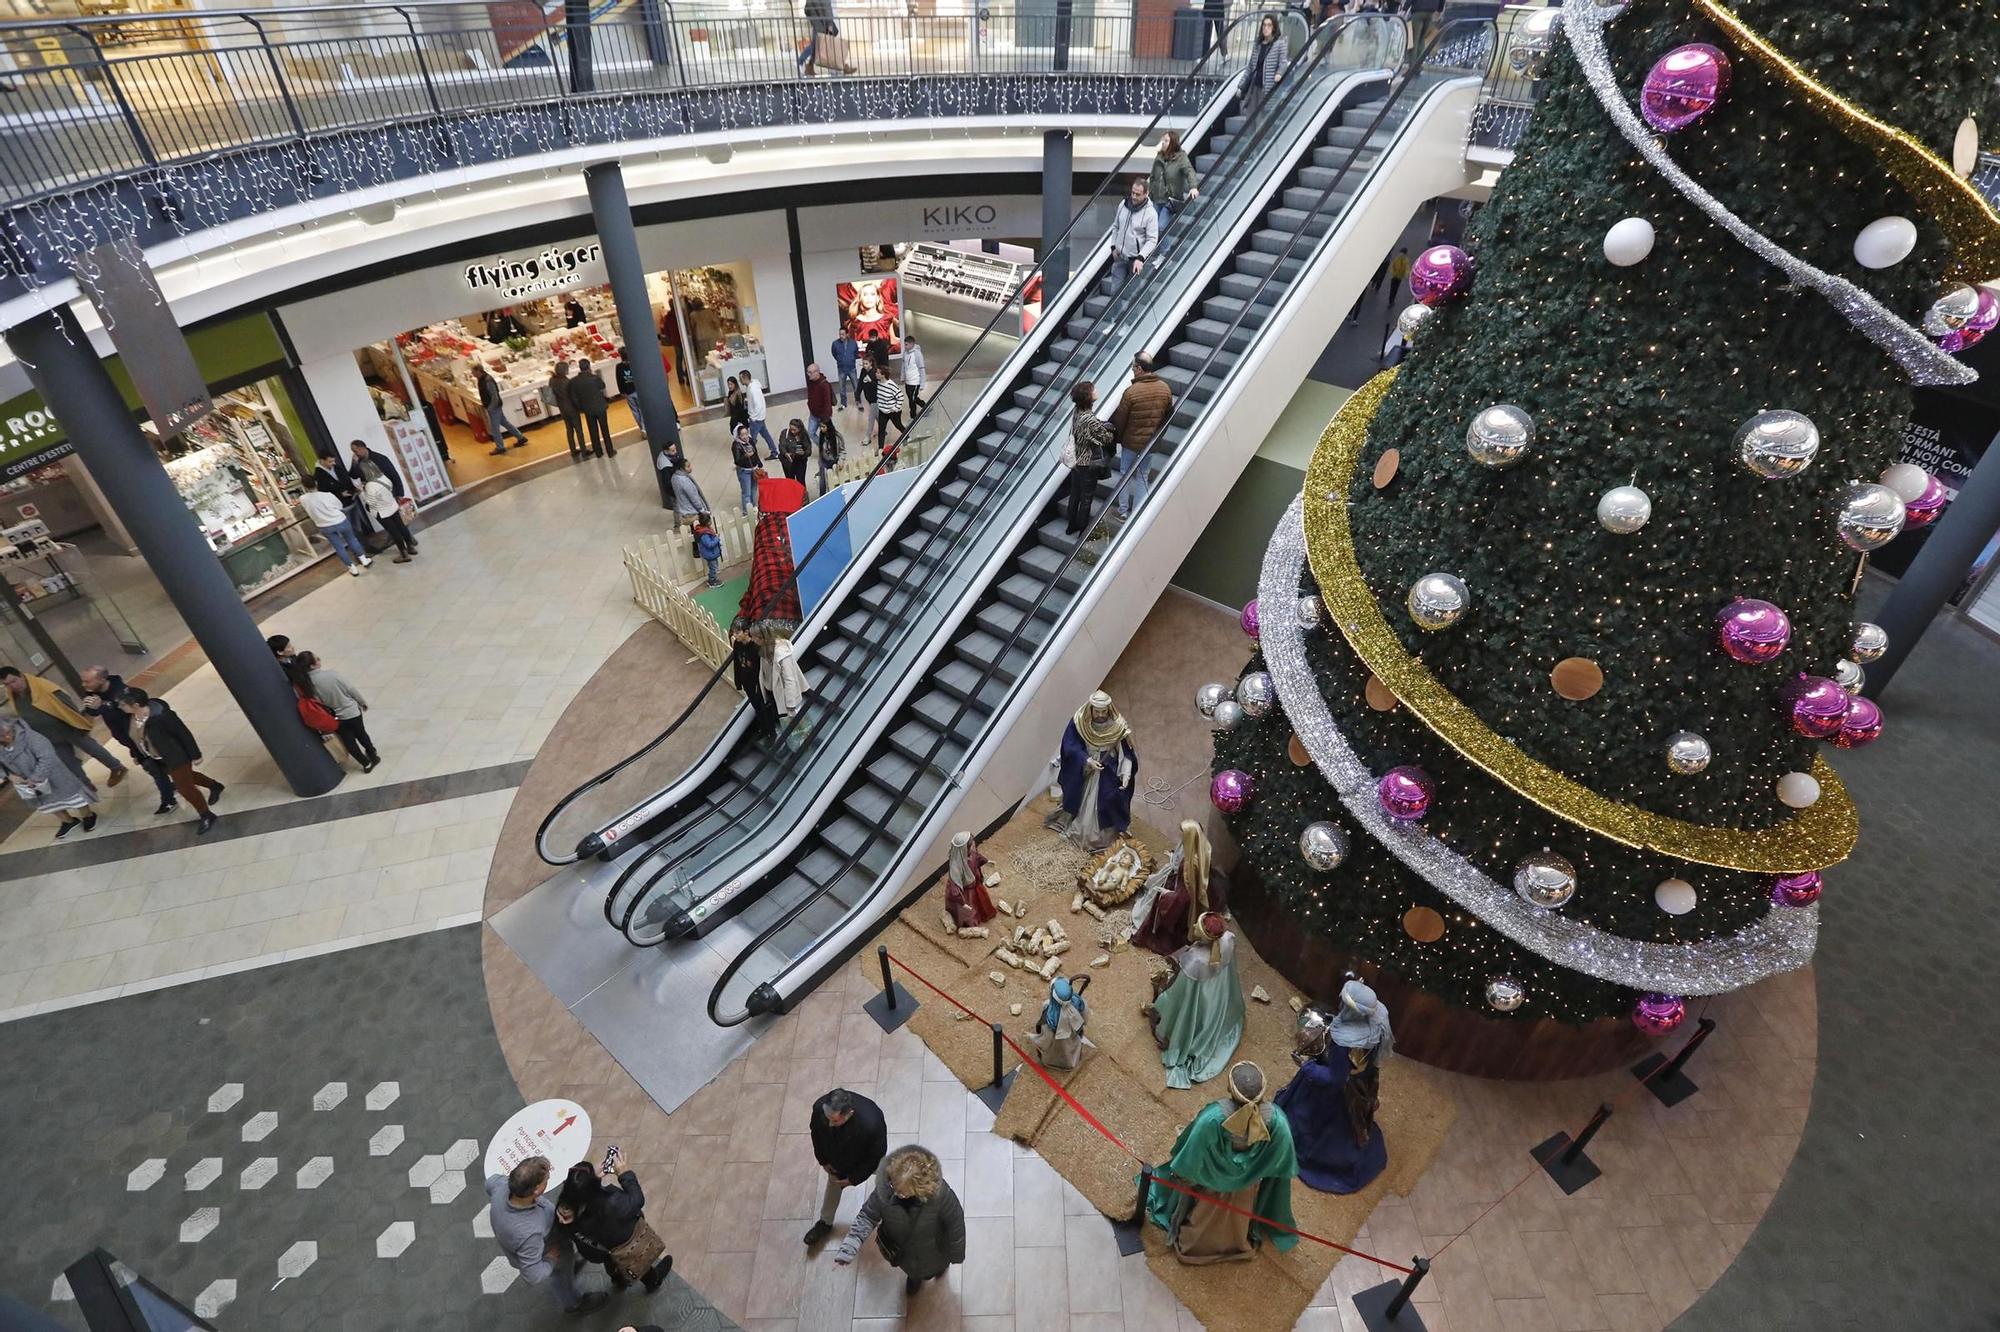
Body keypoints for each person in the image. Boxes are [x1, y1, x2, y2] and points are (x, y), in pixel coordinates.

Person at [1144, 1061, 1299, 1264]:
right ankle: (1236, 1244)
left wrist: (1185, 1177)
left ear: (1229, 1089)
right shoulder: (1277, 1121)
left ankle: (1194, 1246)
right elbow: (1283, 1163)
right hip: (1247, 1187)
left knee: (1200, 1215)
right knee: (1238, 1218)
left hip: (1208, 1185)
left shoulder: (1213, 1118)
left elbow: (1188, 1157)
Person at [1275, 978, 1392, 1193]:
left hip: (1338, 1094)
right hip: (1361, 1080)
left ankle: (1315, 1156)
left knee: (1313, 1122)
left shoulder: (1344, 1042)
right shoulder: (1377, 1021)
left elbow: (1333, 1080)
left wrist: (1307, 1068)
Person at [832, 1145, 966, 1296]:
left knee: (936, 1268)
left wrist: (956, 1254)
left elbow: (955, 1225)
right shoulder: (886, 1189)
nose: (894, 1192)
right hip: (904, 1253)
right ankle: (915, 1278)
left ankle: (939, 1271)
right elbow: (867, 1216)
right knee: (913, 1271)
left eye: (901, 1192)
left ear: (918, 1188)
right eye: (893, 1185)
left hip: (935, 1251)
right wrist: (848, 1248)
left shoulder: (941, 1196)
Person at [485, 1156, 608, 1316]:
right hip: (549, 1249)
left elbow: (489, 1183)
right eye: (546, 1179)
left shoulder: (501, 1186)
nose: (549, 1178)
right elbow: (533, 1275)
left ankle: (569, 1268)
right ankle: (573, 1303)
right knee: (561, 1274)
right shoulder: (529, 1234)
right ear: (536, 1190)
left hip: (549, 1237)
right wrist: (550, 1260)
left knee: (567, 1263)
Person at [553, 1148, 674, 1293]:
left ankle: (618, 1280)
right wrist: (624, 1173)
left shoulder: (564, 1210)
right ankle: (652, 1281)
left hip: (595, 1251)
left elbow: (580, 1198)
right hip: (623, 1245)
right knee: (632, 1259)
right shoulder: (613, 1205)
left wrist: (593, 1180)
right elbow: (637, 1200)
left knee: (611, 1261)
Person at [1150, 911, 1246, 1088]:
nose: (1194, 926)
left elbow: (1178, 995)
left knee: (1165, 1002)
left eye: (1198, 927)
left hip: (1198, 1000)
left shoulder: (1196, 960)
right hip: (1217, 995)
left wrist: (1162, 999)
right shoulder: (1228, 939)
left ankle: (1172, 1036)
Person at [0, 665, 128, 790]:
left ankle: (116, 767)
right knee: (68, 761)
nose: (12, 686)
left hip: (68, 726)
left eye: (14, 681)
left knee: (92, 748)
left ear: (21, 676)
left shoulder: (42, 686)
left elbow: (66, 703)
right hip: (48, 735)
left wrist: (78, 722)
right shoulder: (13, 696)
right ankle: (85, 784)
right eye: (7, 684)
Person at [118, 687, 224, 833]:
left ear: (135, 705)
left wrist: (195, 754)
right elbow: (135, 738)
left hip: (176, 755)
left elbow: (183, 733)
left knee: (184, 787)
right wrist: (136, 754)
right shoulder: (130, 718)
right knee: (187, 777)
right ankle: (215, 785)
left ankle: (206, 814)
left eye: (123, 704)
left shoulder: (162, 716)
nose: (120, 707)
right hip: (157, 758)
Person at [1042, 690, 1136, 850]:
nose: (1100, 715)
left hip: (1107, 772)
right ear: (1090, 709)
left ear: (1109, 709)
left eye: (1103, 711)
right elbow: (1070, 745)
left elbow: (1127, 752)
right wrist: (1086, 759)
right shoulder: (1079, 722)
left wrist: (1126, 773)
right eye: (1097, 711)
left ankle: (1100, 837)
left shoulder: (1118, 726)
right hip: (1084, 769)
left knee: (1106, 800)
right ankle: (1076, 827)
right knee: (1078, 799)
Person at [78, 666, 178, 814]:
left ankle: (169, 799)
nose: (84, 685)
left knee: (155, 768)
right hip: (129, 739)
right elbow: (94, 711)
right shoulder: (94, 692)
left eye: (87, 682)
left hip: (141, 737)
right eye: (83, 682)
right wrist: (93, 708)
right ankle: (175, 786)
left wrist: (102, 706)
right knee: (160, 767)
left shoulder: (122, 691)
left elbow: (127, 712)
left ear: (101, 679)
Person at [803, 1087, 888, 1248]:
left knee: (888, 1176)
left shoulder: (872, 1122)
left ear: (849, 1114)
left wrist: (853, 1179)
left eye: (834, 1121)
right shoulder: (820, 1108)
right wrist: (823, 1161)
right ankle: (825, 1222)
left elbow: (875, 1156)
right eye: (827, 1118)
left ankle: (891, 1210)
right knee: (833, 1186)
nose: (829, 1123)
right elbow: (816, 1135)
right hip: (837, 1161)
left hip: (866, 1160)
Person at [1130, 820, 1226, 955]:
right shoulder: (1201, 846)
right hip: (1187, 886)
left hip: (1184, 895)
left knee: (1165, 910)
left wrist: (1167, 896)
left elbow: (1184, 894)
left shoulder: (1191, 864)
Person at [0, 716, 97, 838]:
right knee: (46, 803)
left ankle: (88, 815)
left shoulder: (31, 737)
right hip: (25, 782)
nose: (7, 737)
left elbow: (47, 757)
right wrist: (9, 776)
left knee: (72, 796)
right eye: (2, 736)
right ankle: (68, 821)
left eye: (8, 733)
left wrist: (36, 778)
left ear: (12, 727)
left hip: (52, 774)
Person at [1109, 351, 1173, 519]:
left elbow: (1120, 420)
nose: (1132, 370)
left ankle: (1123, 511)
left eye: (1132, 367)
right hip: (1150, 443)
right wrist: (1157, 437)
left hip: (1131, 443)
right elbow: (1167, 417)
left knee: (1125, 475)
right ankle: (1138, 513)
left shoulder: (1131, 392)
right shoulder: (1165, 389)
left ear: (1139, 368)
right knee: (1143, 476)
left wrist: (1119, 439)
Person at [294, 650, 379, 772]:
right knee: (361, 734)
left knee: (349, 741)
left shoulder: (306, 684)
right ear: (312, 665)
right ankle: (372, 755)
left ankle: (365, 764)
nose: (319, 659)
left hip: (335, 718)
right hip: (351, 712)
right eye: (317, 659)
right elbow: (350, 689)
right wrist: (362, 702)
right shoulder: (332, 675)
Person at [1061, 380, 1115, 536]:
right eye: (1093, 390)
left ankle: (1071, 526)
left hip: (1076, 460)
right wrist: (1110, 429)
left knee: (1075, 494)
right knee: (1086, 499)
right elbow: (1106, 438)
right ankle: (1083, 530)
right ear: (1088, 396)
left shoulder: (1077, 411)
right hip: (1087, 463)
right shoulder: (1089, 419)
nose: (1096, 391)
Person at [299, 476, 372, 574]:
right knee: (352, 540)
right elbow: (339, 506)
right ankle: (364, 560)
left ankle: (352, 568)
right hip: (340, 520)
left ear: (303, 486)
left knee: (339, 547)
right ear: (316, 483)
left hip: (324, 526)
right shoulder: (328, 495)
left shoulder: (303, 499)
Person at [1030, 973, 1091, 1070]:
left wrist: (1035, 1040)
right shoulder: (1080, 1003)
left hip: (1055, 1051)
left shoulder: (1049, 1016)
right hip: (1073, 1041)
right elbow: (1085, 1020)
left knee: (1055, 1052)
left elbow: (1045, 1042)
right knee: (1071, 1048)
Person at [1108, 178, 1159, 291]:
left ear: (1146, 194)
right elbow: (1116, 226)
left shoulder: (1151, 214)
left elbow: (1152, 240)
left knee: (1131, 296)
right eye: (1133, 193)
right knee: (1114, 293)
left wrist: (1140, 258)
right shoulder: (1123, 205)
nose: (1134, 197)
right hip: (1120, 258)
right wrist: (1113, 246)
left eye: (1138, 194)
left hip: (1135, 261)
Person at [1148, 129, 1200, 231]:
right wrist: (1149, 191)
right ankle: (1159, 247)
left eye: (1166, 141)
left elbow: (1190, 171)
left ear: (1173, 143)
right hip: (1156, 199)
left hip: (1170, 201)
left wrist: (1193, 187)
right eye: (1163, 140)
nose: (1163, 142)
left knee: (1161, 228)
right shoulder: (1159, 157)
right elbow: (1153, 176)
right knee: (1151, 228)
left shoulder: (1181, 158)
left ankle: (1166, 248)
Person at [944, 830, 998, 928]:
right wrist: (962, 903)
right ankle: (970, 922)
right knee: (969, 911)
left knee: (982, 902)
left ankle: (984, 914)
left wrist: (986, 861)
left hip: (975, 886)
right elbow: (954, 888)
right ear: (964, 849)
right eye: (971, 845)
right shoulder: (956, 867)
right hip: (965, 893)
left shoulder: (972, 853)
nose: (973, 847)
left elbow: (977, 857)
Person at [732, 626, 778, 738]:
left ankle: (772, 731)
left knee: (764, 706)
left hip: (758, 683)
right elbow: (737, 664)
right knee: (756, 707)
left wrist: (762, 684)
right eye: (734, 633)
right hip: (747, 683)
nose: (735, 635)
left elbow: (762, 668)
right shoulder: (737, 645)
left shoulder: (756, 648)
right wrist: (738, 682)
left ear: (746, 632)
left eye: (737, 632)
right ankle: (763, 729)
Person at [361, 472, 417, 563]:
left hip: (382, 512)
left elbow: (370, 502)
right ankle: (411, 547)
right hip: (393, 506)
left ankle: (404, 555)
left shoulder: (369, 485)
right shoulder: (383, 477)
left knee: (394, 532)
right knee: (401, 526)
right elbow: (391, 487)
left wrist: (363, 492)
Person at [476, 366, 528, 453]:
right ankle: (521, 437)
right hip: (494, 405)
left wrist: (490, 407)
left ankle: (500, 447)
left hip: (494, 406)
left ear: (478, 371)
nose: (472, 374)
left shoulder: (487, 380)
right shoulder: (482, 379)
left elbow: (494, 395)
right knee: (505, 423)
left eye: (473, 372)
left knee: (495, 428)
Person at [1243, 13, 1285, 121]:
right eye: (1264, 25)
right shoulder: (1258, 44)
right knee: (1250, 118)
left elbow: (1283, 62)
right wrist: (1241, 84)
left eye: (1269, 25)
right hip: (1254, 87)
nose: (1266, 28)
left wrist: (1279, 73)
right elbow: (1250, 67)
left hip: (1267, 87)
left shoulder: (1279, 44)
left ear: (1274, 27)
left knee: (1260, 120)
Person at [574, 358, 616, 458]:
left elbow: (574, 397)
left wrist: (581, 408)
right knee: (605, 430)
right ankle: (610, 451)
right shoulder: (594, 378)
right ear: (589, 366)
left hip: (587, 409)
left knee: (593, 431)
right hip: (600, 406)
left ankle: (598, 452)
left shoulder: (575, 381)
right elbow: (602, 386)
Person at [549, 359, 585, 460]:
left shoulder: (552, 380)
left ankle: (573, 449)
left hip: (562, 407)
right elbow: (573, 396)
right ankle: (583, 449)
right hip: (571, 407)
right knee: (578, 429)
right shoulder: (567, 382)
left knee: (569, 429)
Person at [669, 457, 711, 533]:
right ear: (681, 468)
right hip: (692, 512)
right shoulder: (684, 481)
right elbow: (693, 498)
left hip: (684, 511)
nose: (691, 468)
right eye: (688, 466)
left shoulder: (674, 477)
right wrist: (702, 510)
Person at [615, 347, 647, 443]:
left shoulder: (619, 367)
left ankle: (641, 427)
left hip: (627, 392)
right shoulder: (634, 363)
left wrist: (622, 392)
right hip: (637, 390)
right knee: (642, 410)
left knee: (635, 411)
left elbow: (619, 379)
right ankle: (644, 428)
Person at [730, 424, 763, 515]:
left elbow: (755, 452)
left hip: (754, 469)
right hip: (744, 471)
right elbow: (737, 461)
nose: (745, 437)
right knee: (746, 492)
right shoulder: (736, 445)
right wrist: (745, 456)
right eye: (742, 435)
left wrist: (759, 463)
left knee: (753, 489)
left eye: (746, 434)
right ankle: (747, 511)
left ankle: (754, 506)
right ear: (738, 435)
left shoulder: (750, 440)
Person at [872, 373, 907, 459]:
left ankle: (907, 435)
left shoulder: (890, 384)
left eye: (878, 373)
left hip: (893, 412)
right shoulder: (879, 383)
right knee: (881, 429)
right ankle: (880, 449)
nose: (876, 374)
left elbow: (900, 395)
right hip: (883, 411)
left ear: (883, 375)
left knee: (898, 425)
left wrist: (896, 408)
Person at [743, 372, 777, 458]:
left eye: (741, 379)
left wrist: (753, 417)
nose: (740, 381)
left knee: (751, 439)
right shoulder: (753, 385)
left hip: (756, 418)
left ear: (745, 378)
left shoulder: (753, 390)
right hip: (760, 417)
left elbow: (758, 405)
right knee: (765, 434)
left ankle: (749, 456)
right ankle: (774, 452)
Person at [830, 326, 861, 408]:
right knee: (841, 388)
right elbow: (834, 353)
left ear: (847, 334)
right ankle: (843, 403)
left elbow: (856, 353)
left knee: (856, 386)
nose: (841, 336)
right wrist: (840, 360)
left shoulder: (853, 343)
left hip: (852, 368)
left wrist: (851, 359)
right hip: (841, 369)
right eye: (840, 334)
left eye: (843, 334)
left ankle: (858, 402)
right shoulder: (835, 344)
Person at [777, 418, 813, 487]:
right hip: (788, 462)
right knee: (790, 481)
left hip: (800, 462)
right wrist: (785, 453)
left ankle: (803, 496)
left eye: (794, 430)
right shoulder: (785, 433)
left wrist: (804, 453)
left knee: (801, 481)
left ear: (799, 429)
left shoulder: (804, 435)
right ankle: (793, 495)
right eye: (791, 429)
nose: (792, 431)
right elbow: (782, 445)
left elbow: (808, 450)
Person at [691, 513, 724, 587]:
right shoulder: (704, 534)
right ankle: (712, 581)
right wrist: (716, 538)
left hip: (712, 553)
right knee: (713, 567)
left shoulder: (705, 530)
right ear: (707, 522)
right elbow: (709, 544)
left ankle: (713, 578)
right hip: (710, 554)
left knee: (714, 566)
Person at [805, 361, 835, 439]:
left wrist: (825, 419)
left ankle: (833, 448)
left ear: (817, 372)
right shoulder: (811, 382)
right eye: (808, 372)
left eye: (810, 372)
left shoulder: (824, 385)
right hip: (813, 415)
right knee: (811, 433)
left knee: (828, 435)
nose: (808, 374)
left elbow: (827, 403)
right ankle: (824, 447)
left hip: (823, 416)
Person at [815, 419, 845, 497]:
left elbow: (842, 450)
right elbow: (820, 452)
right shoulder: (821, 437)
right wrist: (820, 464)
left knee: (836, 481)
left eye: (823, 427)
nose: (821, 429)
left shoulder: (837, 437)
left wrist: (841, 460)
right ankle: (822, 498)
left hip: (835, 461)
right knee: (822, 483)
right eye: (820, 427)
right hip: (825, 462)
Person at [900, 334, 926, 414]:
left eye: (906, 344)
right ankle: (925, 405)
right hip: (908, 381)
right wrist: (902, 376)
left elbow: (922, 369)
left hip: (915, 381)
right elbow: (903, 366)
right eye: (904, 344)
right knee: (911, 398)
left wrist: (922, 384)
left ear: (911, 344)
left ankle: (913, 415)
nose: (905, 346)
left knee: (912, 399)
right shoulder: (905, 353)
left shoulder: (917, 354)